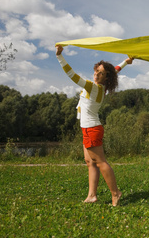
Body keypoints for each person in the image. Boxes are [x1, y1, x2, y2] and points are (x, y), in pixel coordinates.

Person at [56, 45, 133, 206]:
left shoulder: (93, 87)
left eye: (101, 73)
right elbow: (115, 70)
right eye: (96, 71)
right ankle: (92, 195)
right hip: (88, 128)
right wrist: (125, 62)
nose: (97, 74)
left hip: (92, 129)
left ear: (106, 78)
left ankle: (115, 193)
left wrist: (59, 56)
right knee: (90, 161)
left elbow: (72, 75)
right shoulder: (103, 85)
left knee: (100, 162)